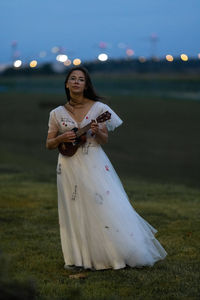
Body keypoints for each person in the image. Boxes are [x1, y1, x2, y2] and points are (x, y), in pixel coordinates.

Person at [46, 66, 167, 270]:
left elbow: (104, 140)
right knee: (74, 210)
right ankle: (78, 259)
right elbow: (49, 144)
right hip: (67, 167)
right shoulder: (56, 113)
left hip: (94, 163)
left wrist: (98, 131)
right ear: (67, 84)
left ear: (86, 85)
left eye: (81, 79)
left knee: (105, 206)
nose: (76, 82)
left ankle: (114, 255)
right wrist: (60, 137)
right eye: (72, 78)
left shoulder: (99, 109)